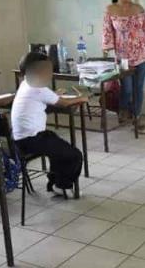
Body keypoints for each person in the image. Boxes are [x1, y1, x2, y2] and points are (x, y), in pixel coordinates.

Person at [12, 51, 88, 194]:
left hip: (19, 140)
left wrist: (54, 94)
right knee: (74, 155)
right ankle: (61, 184)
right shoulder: (38, 89)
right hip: (32, 140)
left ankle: (55, 182)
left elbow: (45, 97)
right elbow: (64, 103)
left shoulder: (25, 84)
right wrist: (82, 98)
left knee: (55, 145)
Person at [102, 0, 145, 134]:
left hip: (142, 55)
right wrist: (106, 50)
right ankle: (123, 111)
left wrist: (141, 45)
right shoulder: (110, 10)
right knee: (127, 88)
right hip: (123, 57)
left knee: (138, 88)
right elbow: (107, 31)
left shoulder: (138, 8)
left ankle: (137, 118)